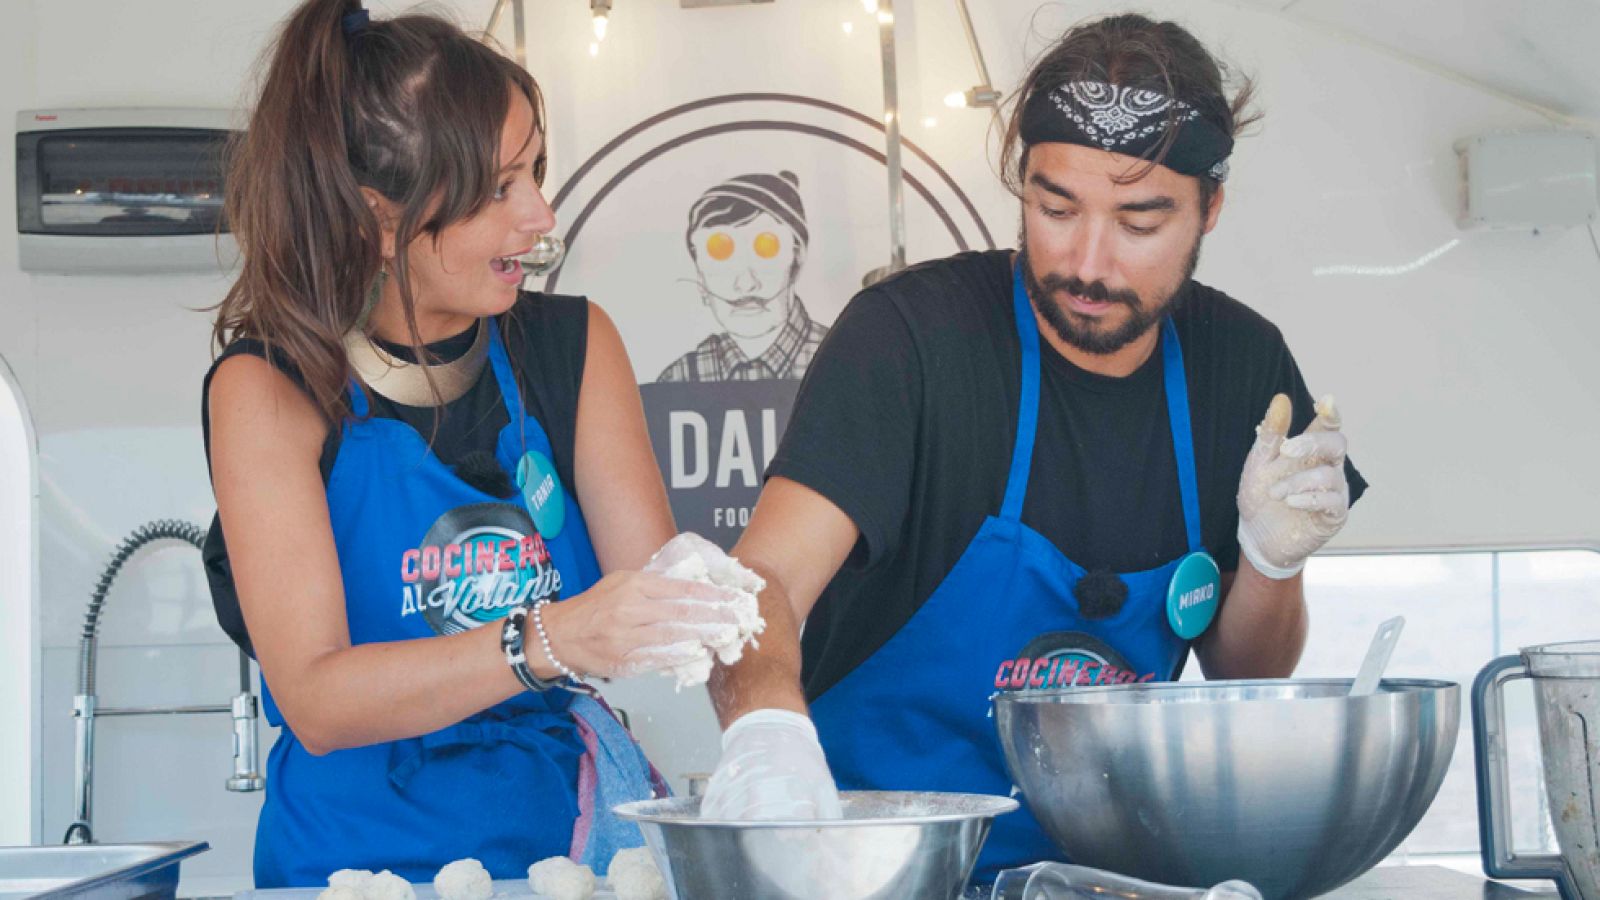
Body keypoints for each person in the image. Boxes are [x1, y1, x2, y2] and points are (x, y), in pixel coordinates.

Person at [698, 13, 1368, 881]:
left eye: (1139, 221)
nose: (1087, 262)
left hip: (1114, 870)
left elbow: (1247, 666)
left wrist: (1272, 565)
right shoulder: (911, 340)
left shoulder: (1240, 365)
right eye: (1056, 207)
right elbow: (764, 586)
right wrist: (767, 745)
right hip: (875, 863)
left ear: (1210, 205)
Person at [200, 0, 743, 887]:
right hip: (352, 868)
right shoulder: (268, 387)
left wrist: (740, 636)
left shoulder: (572, 346)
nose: (541, 215)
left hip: (565, 858)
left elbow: (657, 613)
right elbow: (319, 699)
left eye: (535, 170)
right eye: (499, 189)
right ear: (378, 216)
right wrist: (552, 637)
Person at [656, 171, 828, 382]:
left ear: (797, 259)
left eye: (766, 249)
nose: (746, 284)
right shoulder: (679, 379)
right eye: (720, 253)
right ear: (700, 276)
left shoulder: (845, 361)